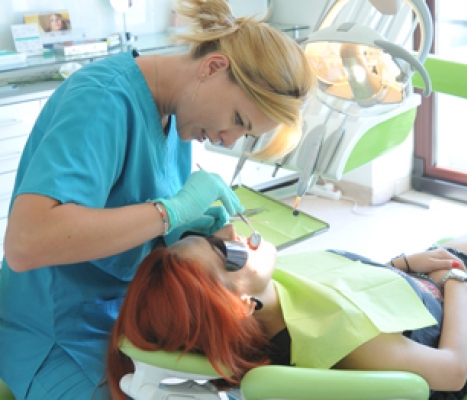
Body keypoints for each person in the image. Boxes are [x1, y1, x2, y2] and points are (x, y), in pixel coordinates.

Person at [0, 0, 314, 398]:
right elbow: (26, 244)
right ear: (213, 67)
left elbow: (125, 221)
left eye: (245, 136)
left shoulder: (176, 121)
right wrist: (167, 213)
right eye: (238, 119)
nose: (228, 140)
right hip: (54, 334)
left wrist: (181, 234)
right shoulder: (103, 101)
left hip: (125, 319)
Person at [106, 172, 467, 400]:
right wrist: (454, 282)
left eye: (211, 236)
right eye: (226, 253)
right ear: (240, 305)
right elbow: (451, 372)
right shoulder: (336, 339)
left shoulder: (276, 297)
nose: (232, 233)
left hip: (415, 287)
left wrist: (402, 263)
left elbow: (345, 286)